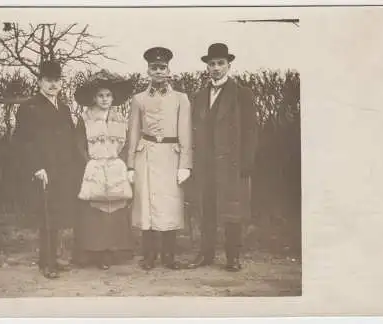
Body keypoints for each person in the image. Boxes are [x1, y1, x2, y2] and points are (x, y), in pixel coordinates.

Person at [186, 43, 258, 272]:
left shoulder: (242, 94)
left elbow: (250, 130)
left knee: (231, 210)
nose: (216, 68)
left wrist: (246, 162)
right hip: (205, 162)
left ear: (229, 65)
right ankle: (205, 255)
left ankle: (232, 257)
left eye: (220, 63)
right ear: (207, 67)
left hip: (230, 162)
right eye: (212, 64)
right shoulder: (199, 96)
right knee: (206, 208)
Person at [13, 60, 84, 279]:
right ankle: (47, 262)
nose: (53, 85)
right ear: (39, 82)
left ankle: (53, 257)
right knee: (46, 215)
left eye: (57, 80)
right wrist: (36, 167)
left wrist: (76, 166)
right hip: (44, 170)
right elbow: (23, 142)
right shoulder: (29, 107)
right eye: (48, 81)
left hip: (64, 169)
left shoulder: (63, 108)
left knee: (59, 214)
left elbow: (71, 139)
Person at [127, 47, 192, 270]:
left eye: (162, 67)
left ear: (168, 69)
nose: (158, 71)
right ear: (148, 70)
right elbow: (133, 132)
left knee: (170, 205)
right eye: (154, 67)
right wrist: (130, 164)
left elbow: (186, 133)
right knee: (146, 204)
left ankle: (169, 256)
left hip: (171, 156)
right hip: (145, 155)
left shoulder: (181, 99)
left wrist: (185, 164)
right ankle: (149, 255)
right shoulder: (138, 99)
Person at [73, 70, 135, 270]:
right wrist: (89, 163)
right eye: (100, 95)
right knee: (94, 210)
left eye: (108, 95)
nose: (105, 99)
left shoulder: (120, 118)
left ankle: (112, 251)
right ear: (94, 97)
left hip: (115, 166)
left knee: (115, 208)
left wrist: (122, 162)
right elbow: (79, 143)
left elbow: (126, 144)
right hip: (94, 166)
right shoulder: (85, 117)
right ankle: (92, 252)